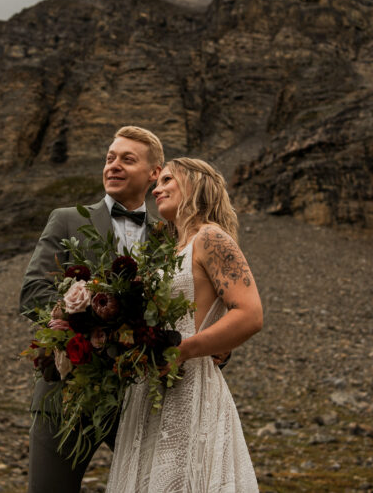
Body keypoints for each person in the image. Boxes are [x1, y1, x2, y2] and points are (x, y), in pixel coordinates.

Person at [20, 125, 165, 493]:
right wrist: (89, 315)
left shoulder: (170, 233)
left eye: (127, 159)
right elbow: (32, 293)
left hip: (140, 399)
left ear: (154, 174)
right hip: (65, 395)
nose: (113, 165)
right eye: (109, 158)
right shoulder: (67, 218)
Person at [106, 157, 263, 492]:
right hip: (148, 391)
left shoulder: (210, 238)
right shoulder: (165, 251)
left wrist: (184, 349)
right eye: (156, 183)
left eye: (167, 180)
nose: (157, 188)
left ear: (195, 183)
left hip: (189, 385)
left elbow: (249, 313)